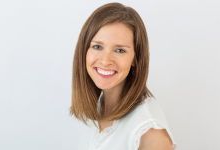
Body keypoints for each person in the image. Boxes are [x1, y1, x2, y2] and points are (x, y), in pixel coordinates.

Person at [70, 2, 177, 150]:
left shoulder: (149, 132)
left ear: (135, 58)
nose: (106, 60)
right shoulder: (102, 104)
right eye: (97, 47)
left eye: (119, 50)